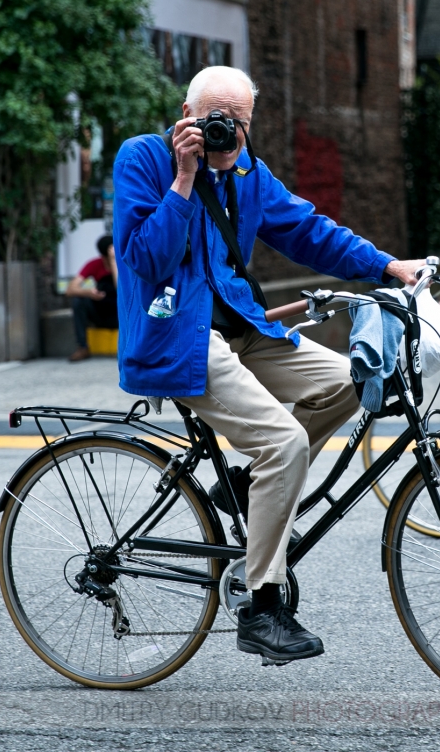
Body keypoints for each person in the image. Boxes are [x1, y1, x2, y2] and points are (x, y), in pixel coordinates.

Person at [112, 65, 422, 664]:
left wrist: (388, 267)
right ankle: (262, 605)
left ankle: (252, 486)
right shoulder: (143, 158)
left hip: (243, 328)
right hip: (176, 335)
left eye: (241, 122)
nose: (229, 132)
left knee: (352, 380)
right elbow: (146, 260)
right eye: (217, 120)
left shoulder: (251, 174)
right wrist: (184, 176)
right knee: (283, 444)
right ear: (187, 114)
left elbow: (309, 231)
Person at [66, 235, 118, 362]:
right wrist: (88, 292)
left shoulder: (124, 263)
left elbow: (120, 289)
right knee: (78, 301)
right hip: (100, 312)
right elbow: (70, 289)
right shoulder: (95, 264)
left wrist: (114, 262)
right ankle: (82, 347)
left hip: (120, 314)